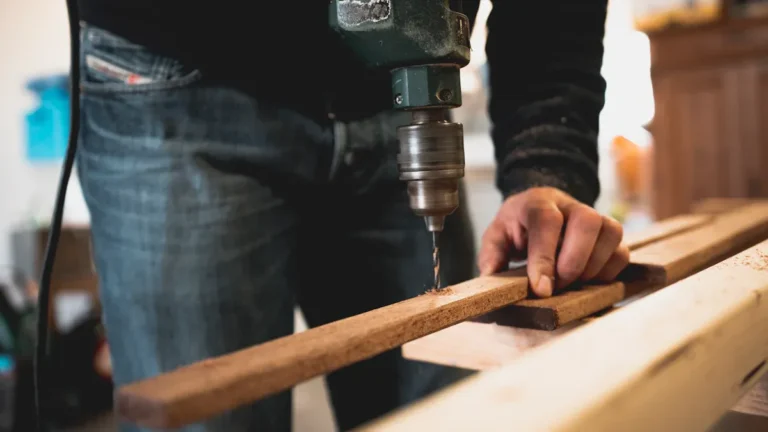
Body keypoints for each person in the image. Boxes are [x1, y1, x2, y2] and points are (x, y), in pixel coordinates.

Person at [74, 1, 628, 430]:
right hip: (170, 76)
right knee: (204, 413)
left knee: (451, 407)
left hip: (391, 86)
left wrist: (545, 164)